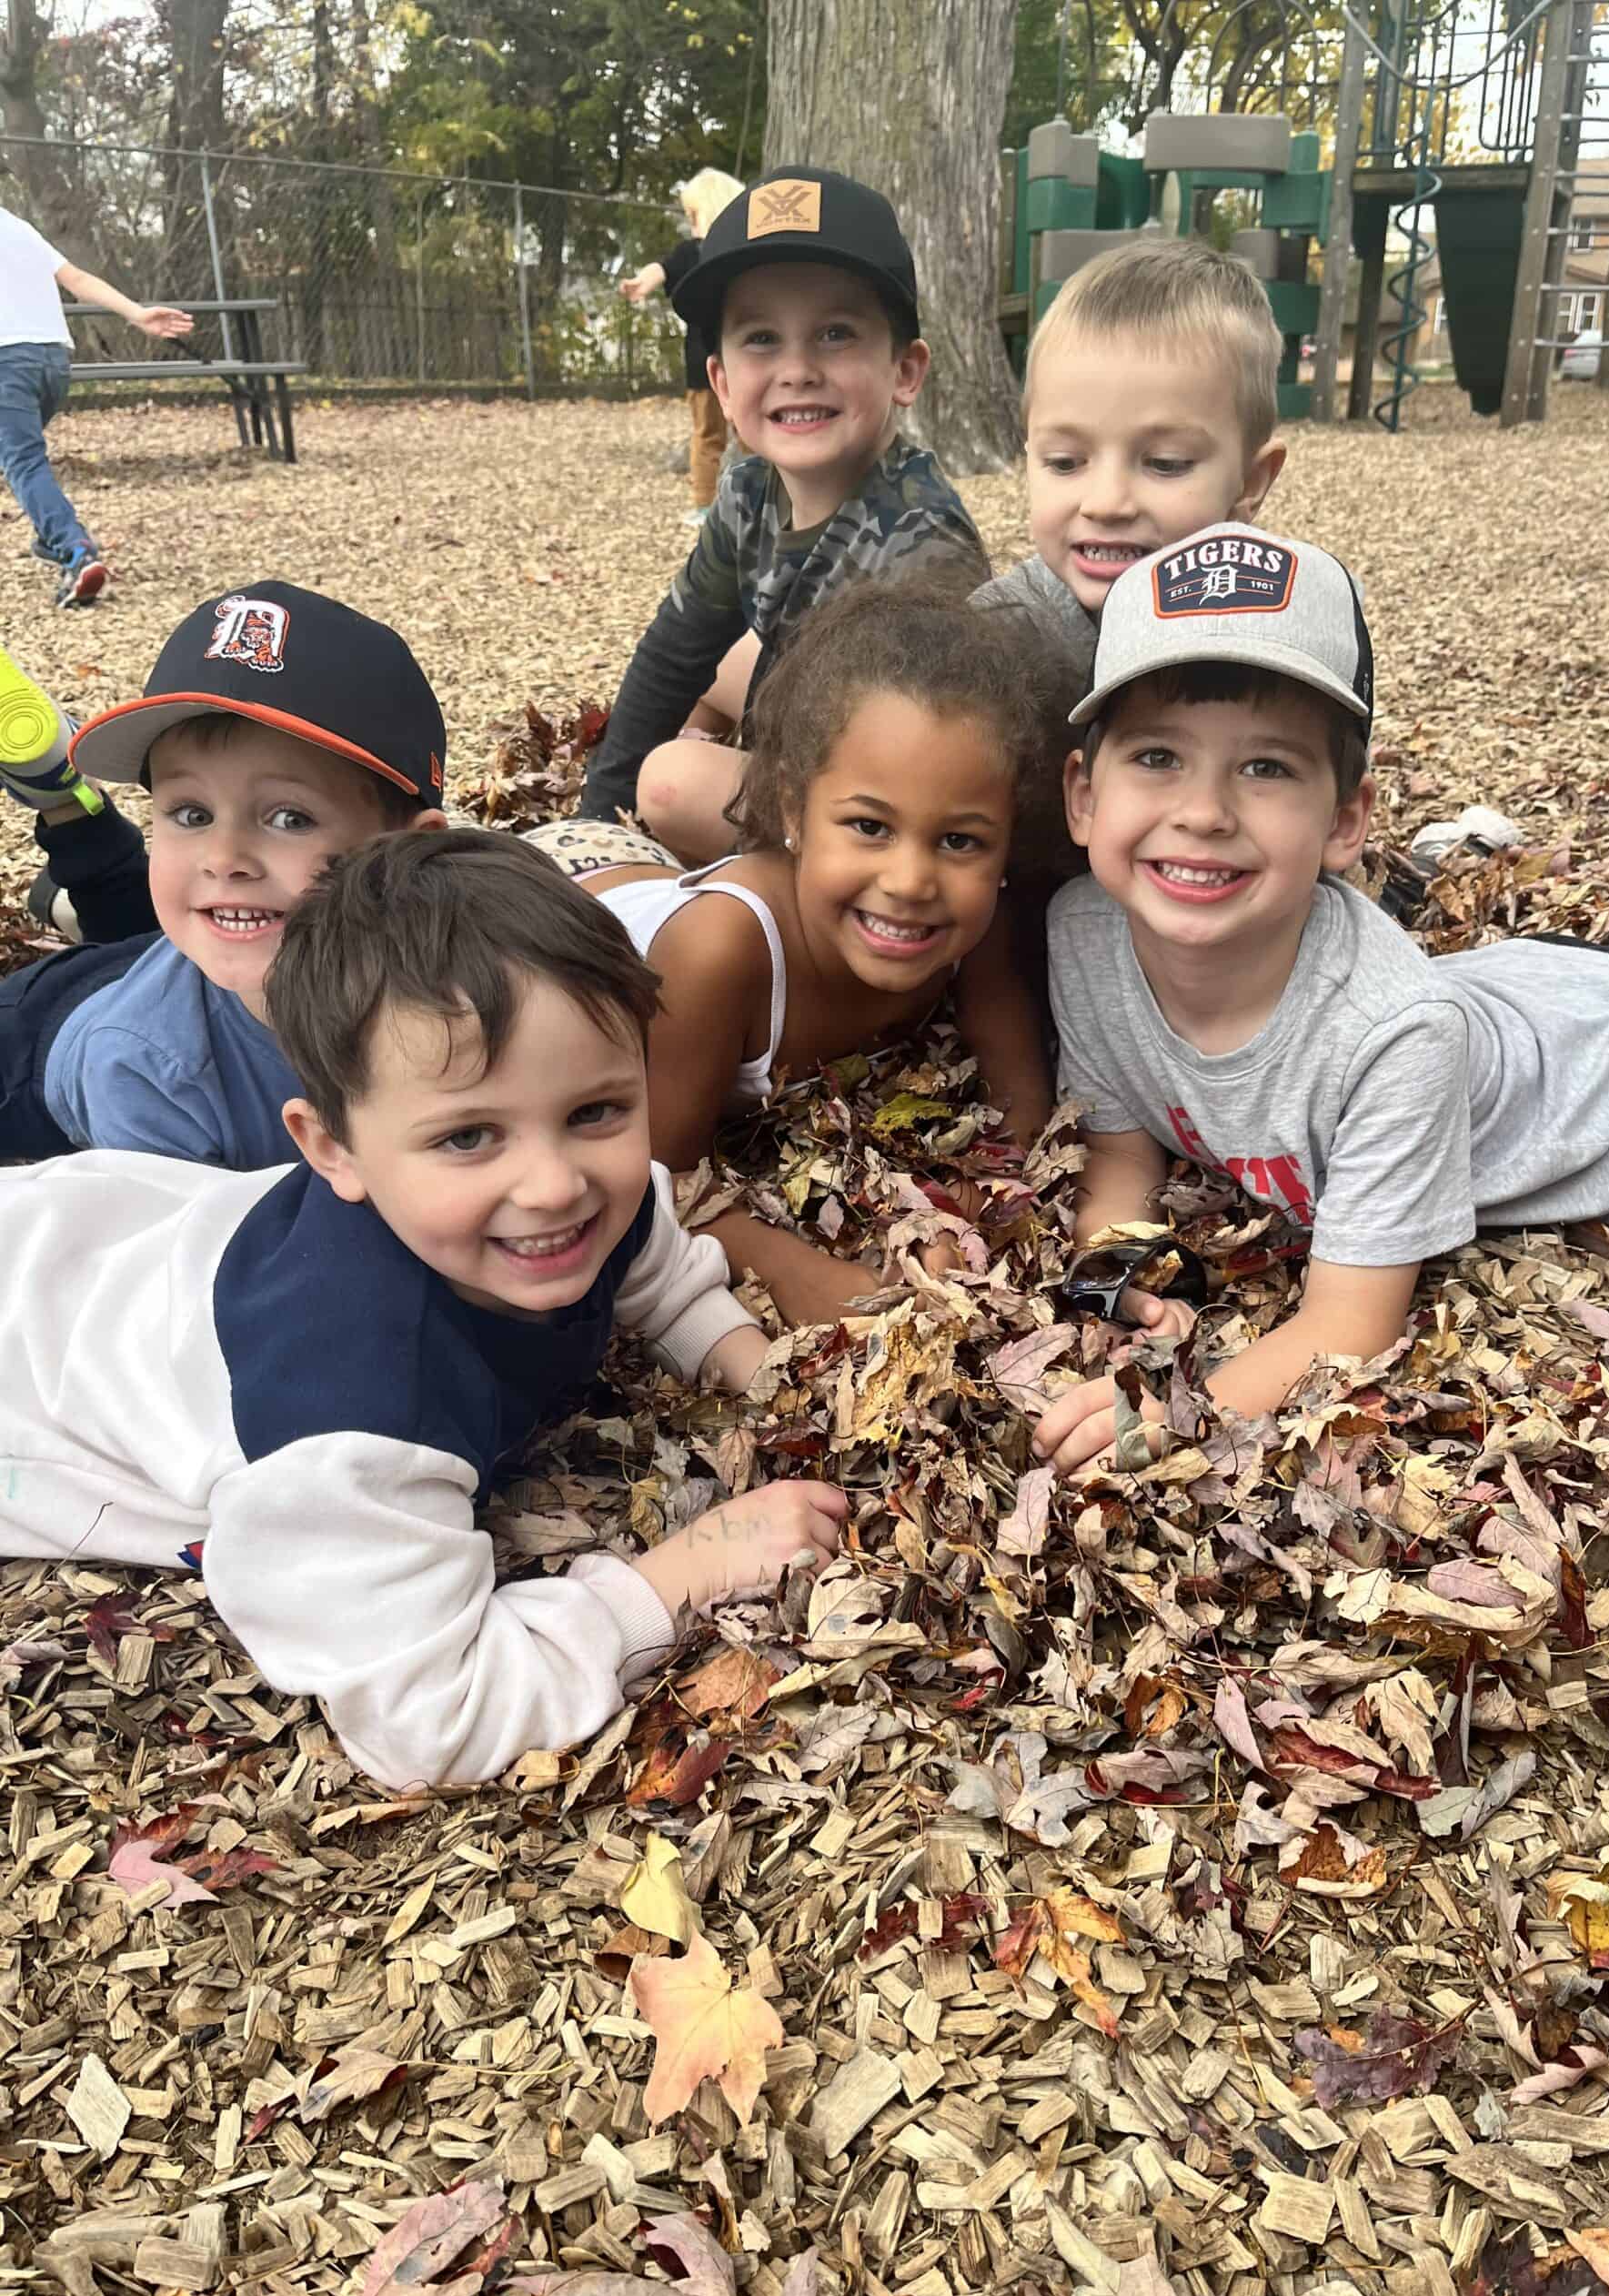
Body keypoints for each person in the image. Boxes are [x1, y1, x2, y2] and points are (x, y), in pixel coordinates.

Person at [0, 829, 844, 1787]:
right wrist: (682, 1572)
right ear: (333, 1149)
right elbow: (431, 1720)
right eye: (471, 1135)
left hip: (112, 1237)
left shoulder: (582, 1205)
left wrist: (749, 1364)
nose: (555, 1184)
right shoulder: (346, 1411)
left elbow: (652, 1255)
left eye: (596, 1112)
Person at [1031, 520, 1609, 1471]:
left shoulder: (1392, 1031)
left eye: (1266, 767)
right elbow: (1122, 1147)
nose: (1203, 811)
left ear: (1346, 820)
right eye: (1158, 756)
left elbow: (1350, 1321)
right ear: (1084, 795)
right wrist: (1114, 1264)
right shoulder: (1084, 936)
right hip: (1531, 983)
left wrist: (1180, 1416)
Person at [548, 582, 1075, 1325]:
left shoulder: (978, 924)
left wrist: (972, 1208)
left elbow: (1020, 1104)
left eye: (960, 841)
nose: (911, 881)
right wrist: (800, 1267)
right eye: (869, 826)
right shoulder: (720, 953)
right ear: (794, 808)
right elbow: (652, 1177)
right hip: (569, 890)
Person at [575, 166, 989, 863]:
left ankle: (755, 874)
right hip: (812, 702)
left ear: (905, 371)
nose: (797, 367)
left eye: (835, 333)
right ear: (724, 383)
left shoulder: (921, 550)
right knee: (709, 660)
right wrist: (591, 819)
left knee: (669, 783)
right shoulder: (746, 492)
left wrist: (731, 779)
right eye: (762, 338)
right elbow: (675, 652)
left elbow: (921, 777)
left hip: (882, 803)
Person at [0, 584, 447, 1166]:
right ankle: (66, 803)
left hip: (184, 954)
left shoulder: (483, 977)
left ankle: (70, 812)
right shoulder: (148, 1072)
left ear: (415, 851)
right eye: (191, 814)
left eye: (290, 818)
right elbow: (209, 1249)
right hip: (31, 1048)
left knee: (161, 921)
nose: (223, 854)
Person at [972, 238, 1288, 690]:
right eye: (1064, 463)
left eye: (1165, 463)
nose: (1106, 503)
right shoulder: (991, 644)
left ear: (1251, 481)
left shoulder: (1282, 639)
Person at [0, 200, 193, 607]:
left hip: (6, 364)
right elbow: (79, 279)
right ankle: (54, 534)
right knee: (20, 460)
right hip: (51, 362)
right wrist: (136, 312)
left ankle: (75, 549)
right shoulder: (17, 226)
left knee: (23, 462)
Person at [620, 166, 745, 524]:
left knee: (748, 435)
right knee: (709, 435)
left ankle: (760, 499)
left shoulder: (737, 252)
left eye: (693, 215)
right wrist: (641, 282)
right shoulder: (690, 252)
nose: (691, 223)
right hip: (706, 364)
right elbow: (660, 268)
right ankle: (706, 505)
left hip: (740, 364)